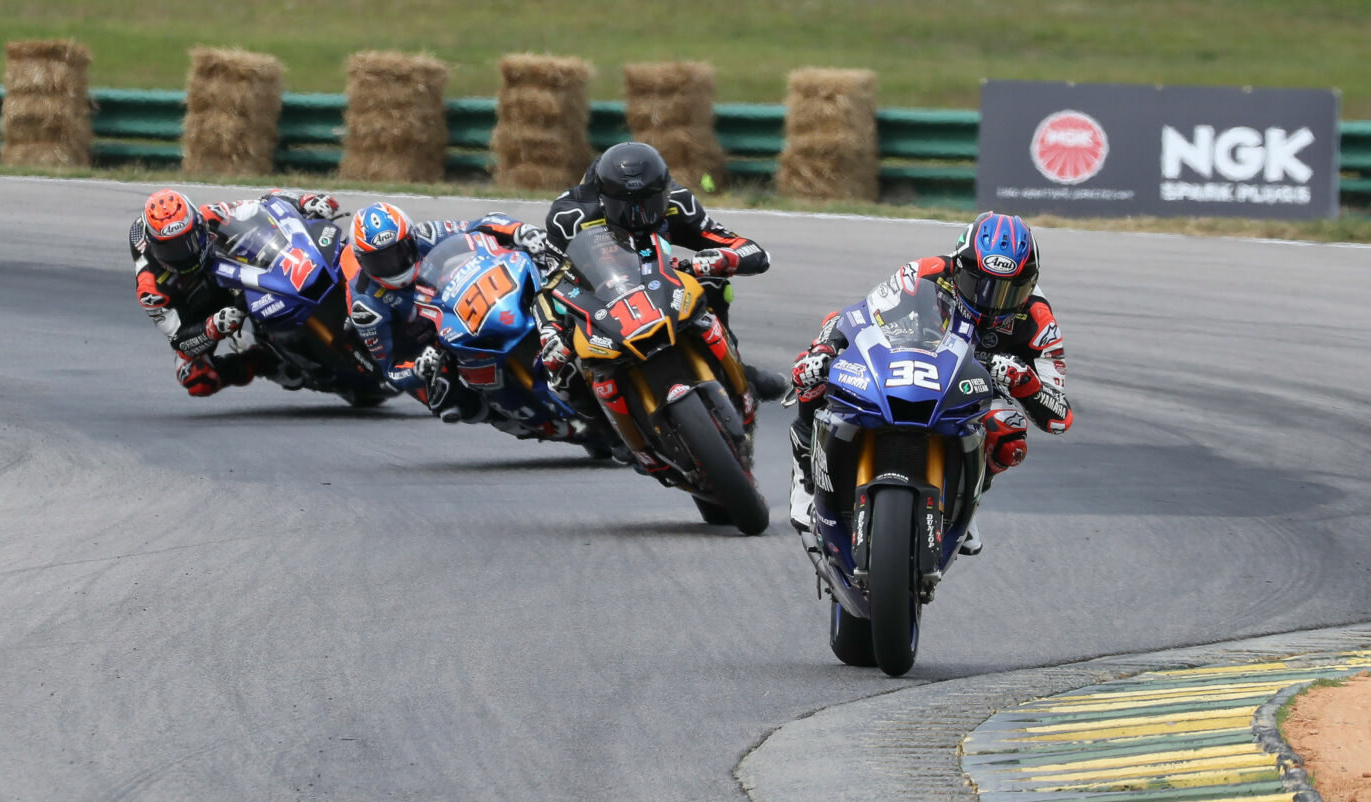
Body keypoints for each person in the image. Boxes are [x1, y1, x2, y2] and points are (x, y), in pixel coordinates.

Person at [786, 211, 1072, 554]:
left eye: (1008, 292)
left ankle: (967, 492)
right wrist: (824, 349)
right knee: (815, 375)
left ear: (1029, 285)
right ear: (959, 267)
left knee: (1009, 431)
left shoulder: (1040, 320)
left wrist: (1024, 382)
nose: (989, 301)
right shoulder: (924, 272)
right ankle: (805, 475)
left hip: (973, 389)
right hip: (906, 363)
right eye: (978, 284)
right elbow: (855, 316)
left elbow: (1060, 415)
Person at [541, 141, 786, 400]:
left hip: (659, 277)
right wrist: (550, 330)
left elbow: (748, 249)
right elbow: (552, 282)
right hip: (600, 293)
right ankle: (592, 409)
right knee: (562, 376)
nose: (641, 216)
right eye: (626, 207)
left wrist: (722, 259)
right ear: (602, 200)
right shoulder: (570, 217)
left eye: (651, 202)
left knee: (716, 285)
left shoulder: (678, 202)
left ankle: (738, 371)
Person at [343, 201, 559, 423]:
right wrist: (415, 368)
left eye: (398, 252)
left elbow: (482, 224)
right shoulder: (366, 305)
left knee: (538, 263)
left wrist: (519, 231)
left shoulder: (427, 234)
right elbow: (390, 368)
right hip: (422, 346)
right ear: (362, 262)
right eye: (379, 261)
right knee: (450, 402)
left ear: (411, 239)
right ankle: (506, 420)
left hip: (458, 308)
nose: (392, 264)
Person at [129, 187, 339, 396]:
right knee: (195, 378)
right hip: (204, 313)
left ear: (198, 224)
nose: (183, 255)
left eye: (188, 242)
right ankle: (262, 361)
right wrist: (212, 328)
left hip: (233, 275)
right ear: (153, 246)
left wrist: (305, 201)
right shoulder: (151, 288)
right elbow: (180, 341)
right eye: (170, 250)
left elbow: (265, 203)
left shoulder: (210, 214)